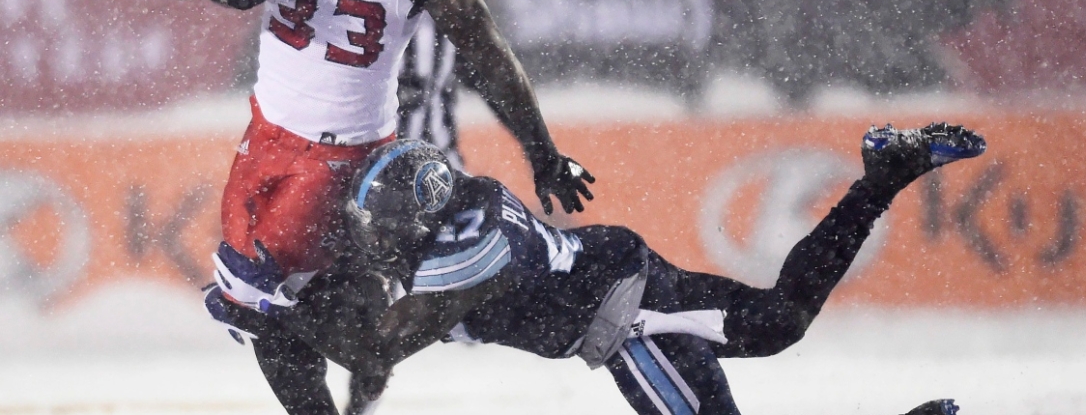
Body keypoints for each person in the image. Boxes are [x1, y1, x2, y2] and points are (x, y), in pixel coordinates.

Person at [206, 122, 984, 415]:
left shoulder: (465, 253)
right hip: (627, 272)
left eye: (379, 224)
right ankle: (881, 177)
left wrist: (262, 312)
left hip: (628, 326)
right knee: (781, 320)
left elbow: (376, 349)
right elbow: (373, 314)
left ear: (413, 218)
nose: (368, 236)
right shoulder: (464, 203)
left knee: (774, 333)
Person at [159, 0, 594, 287]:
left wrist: (544, 155)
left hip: (344, 148)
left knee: (256, 292)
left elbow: (491, 60)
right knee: (257, 300)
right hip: (264, 130)